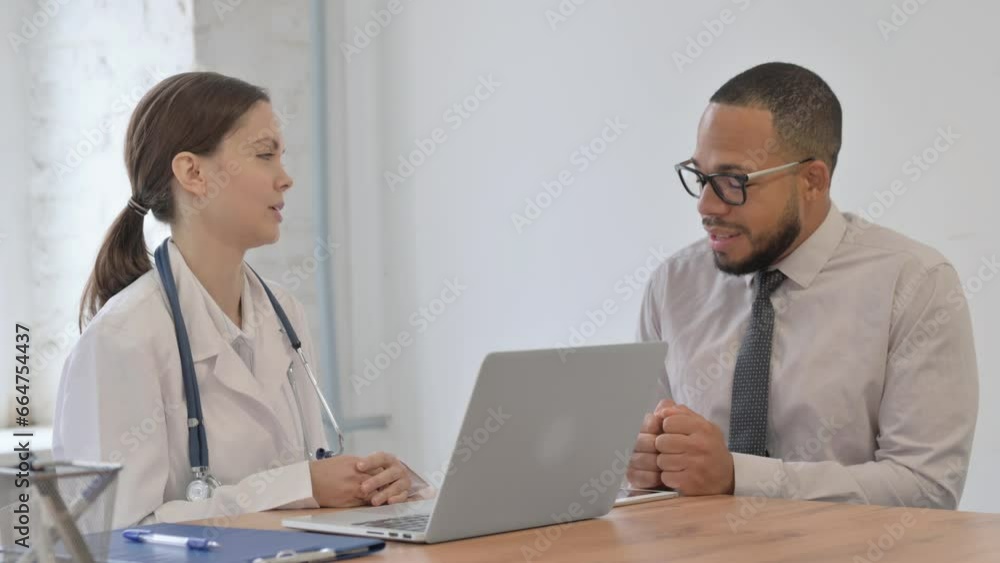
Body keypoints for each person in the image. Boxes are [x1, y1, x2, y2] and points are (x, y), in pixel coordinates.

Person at [53, 71, 413, 528]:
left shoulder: (284, 313)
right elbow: (113, 537)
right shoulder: (122, 337)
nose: (286, 179)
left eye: (282, 157)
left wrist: (370, 486)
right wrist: (300, 487)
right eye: (264, 155)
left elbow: (309, 486)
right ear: (194, 173)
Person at [626, 62, 978, 509]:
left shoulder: (914, 285)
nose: (706, 205)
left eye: (733, 182)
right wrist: (643, 470)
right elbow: (640, 469)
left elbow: (927, 489)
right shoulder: (675, 284)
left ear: (812, 181)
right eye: (700, 177)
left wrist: (738, 476)